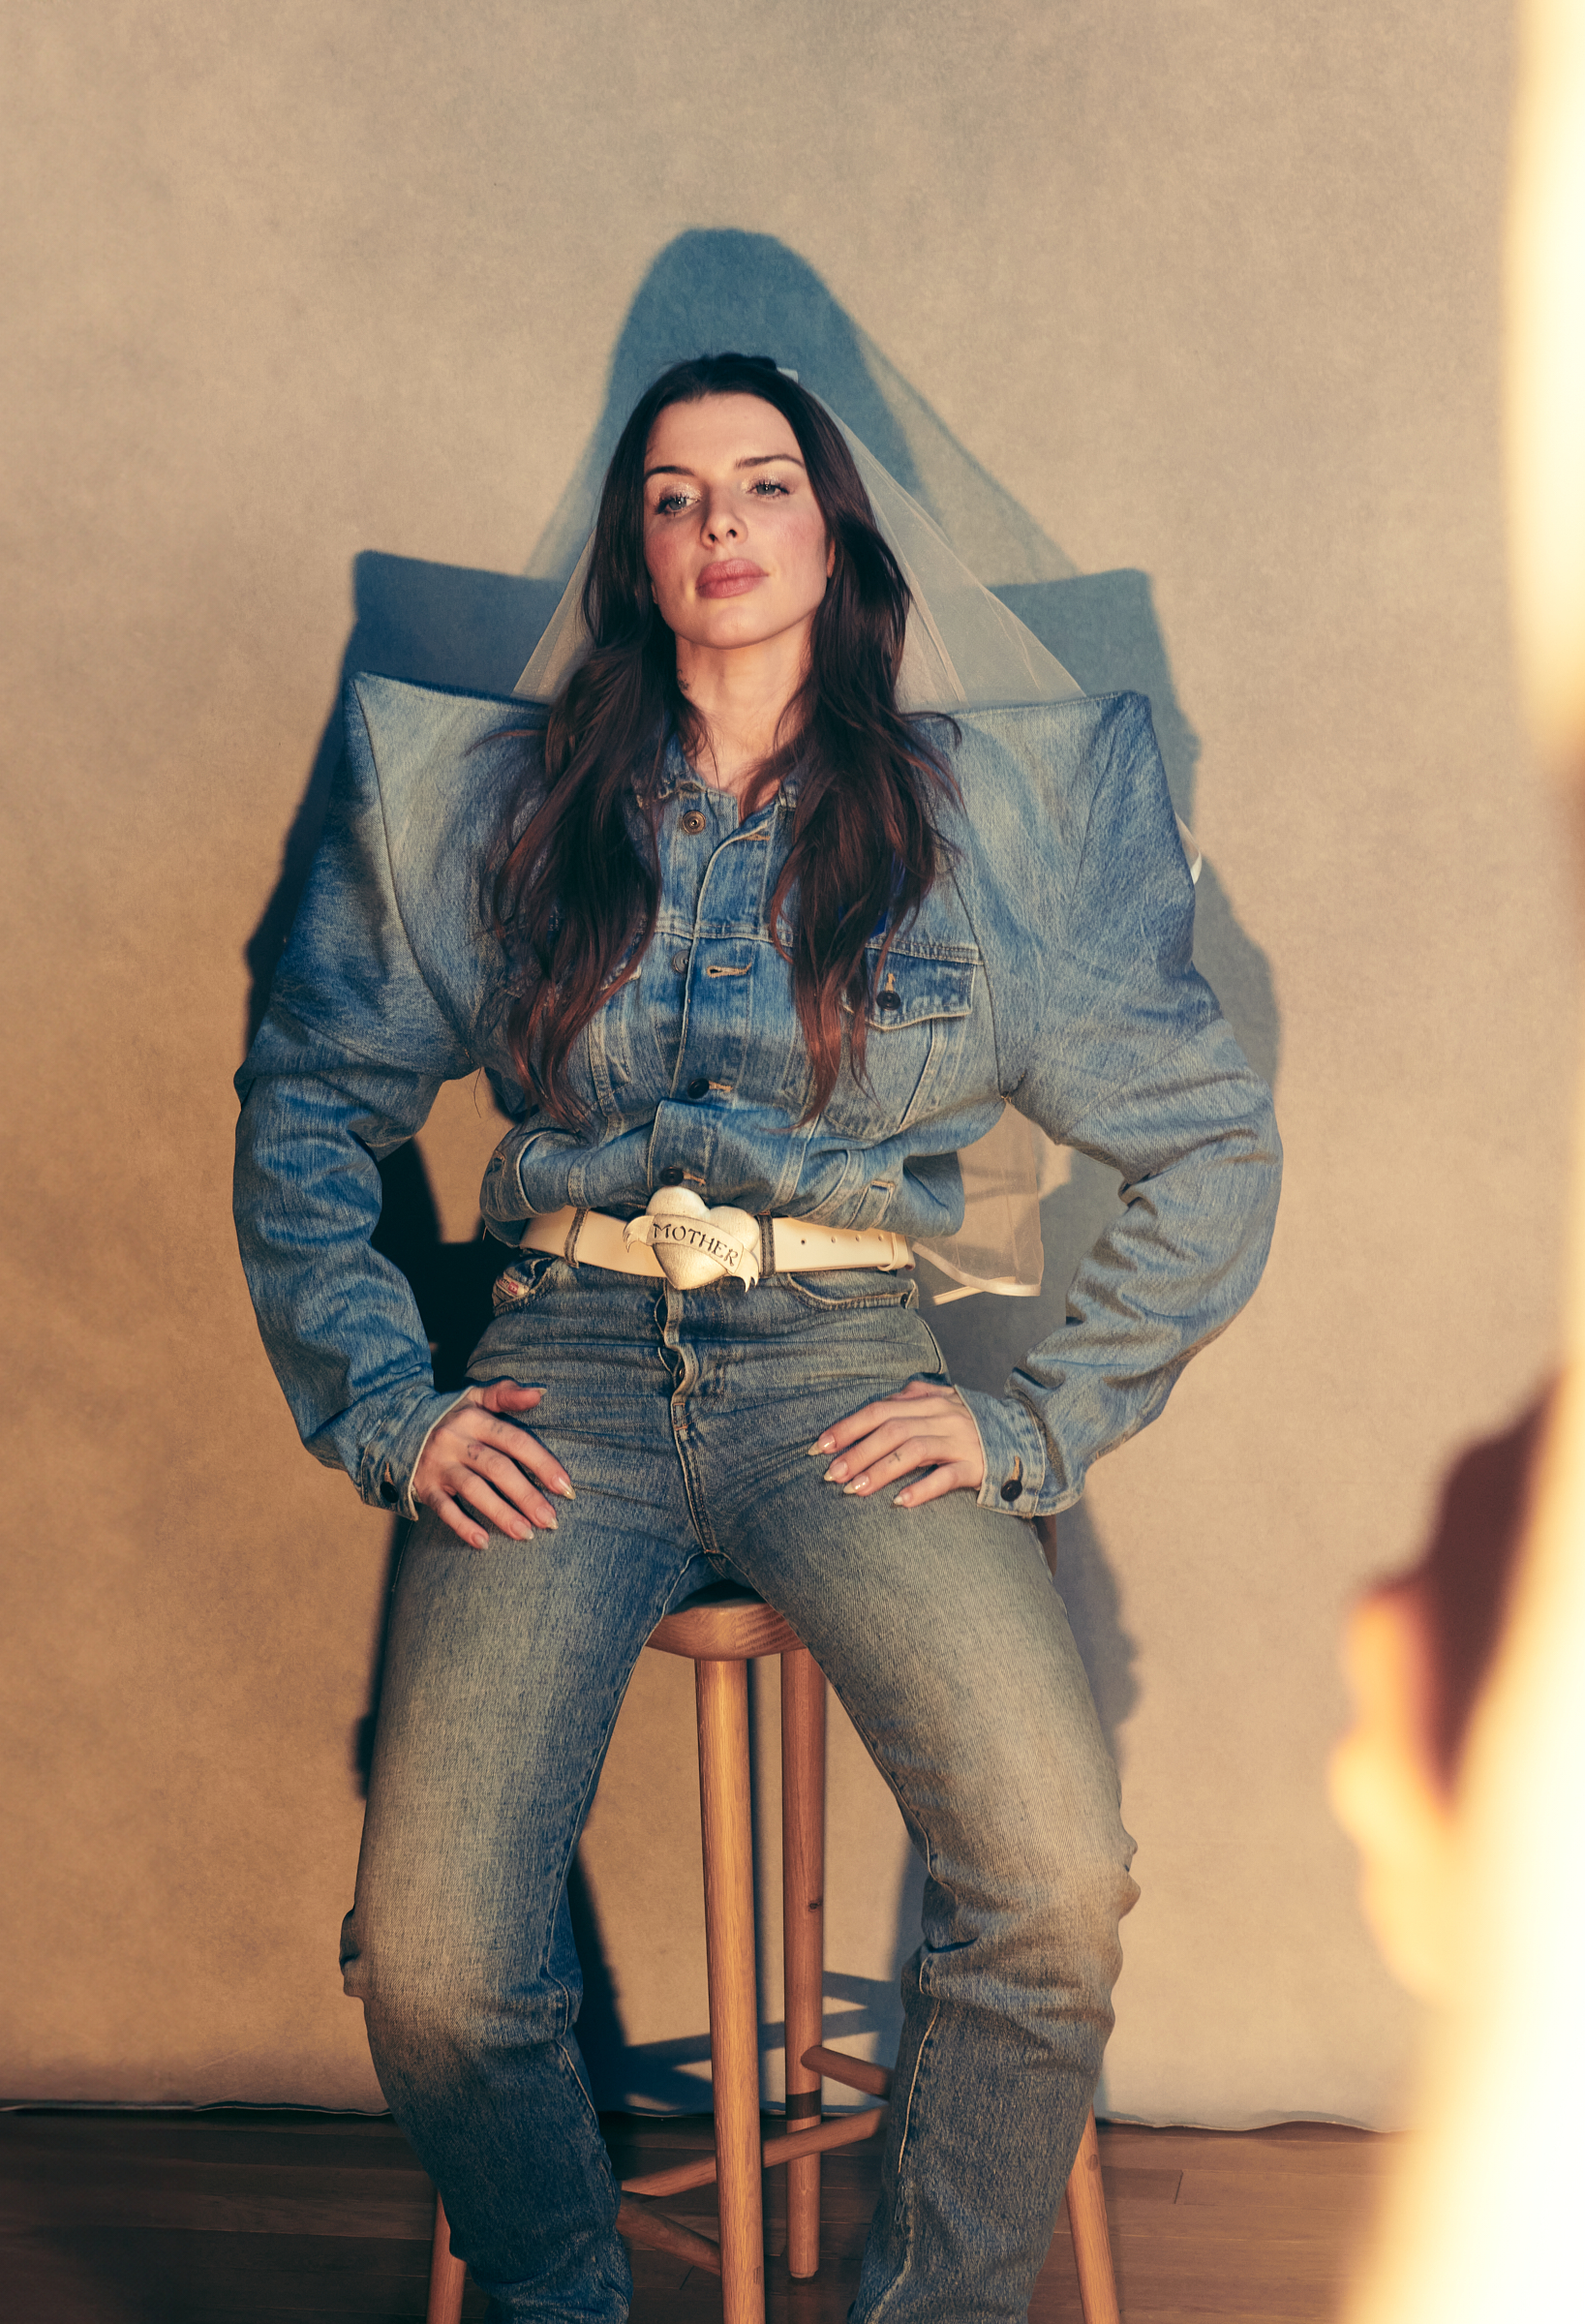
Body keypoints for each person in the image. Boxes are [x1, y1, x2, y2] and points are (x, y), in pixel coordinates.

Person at [233, 352, 1282, 2323]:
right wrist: (391, 1408)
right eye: (673, 495)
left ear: (833, 534)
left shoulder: (989, 821)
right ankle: (559, 2296)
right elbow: (307, 1098)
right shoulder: (493, 809)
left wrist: (1035, 1429)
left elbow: (1205, 1137)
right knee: (436, 1967)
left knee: (1052, 1890)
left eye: (764, 482)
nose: (719, 522)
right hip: (561, 1371)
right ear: (635, 557)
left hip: (844, 1372)